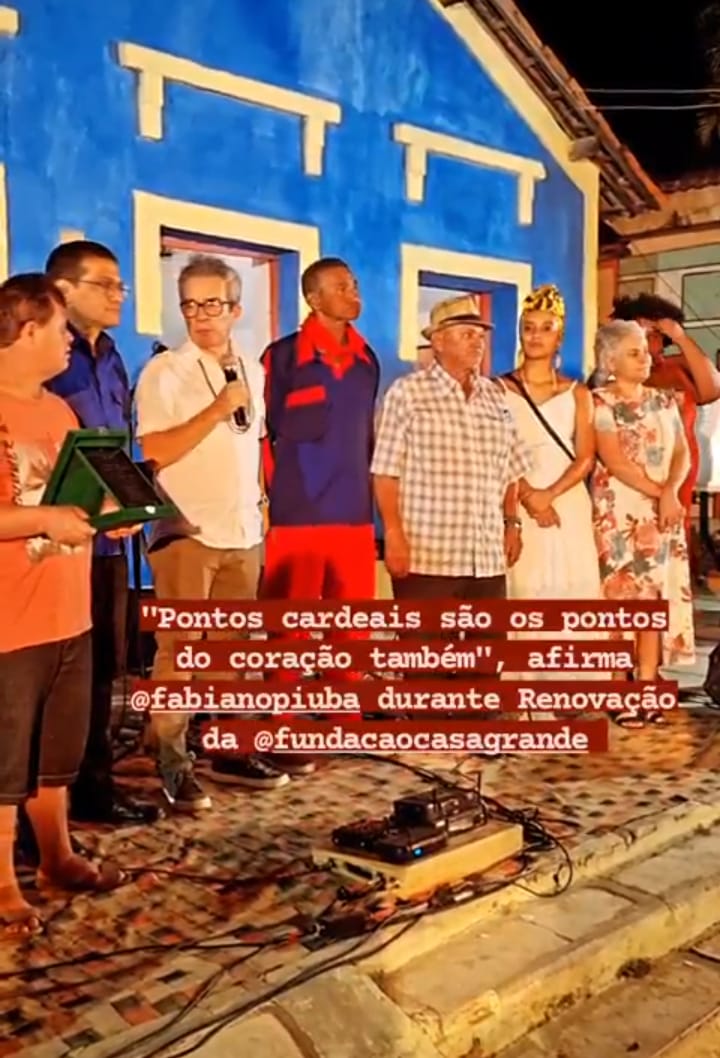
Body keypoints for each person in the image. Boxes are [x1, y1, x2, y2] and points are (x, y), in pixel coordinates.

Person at [0, 274, 125, 939]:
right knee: (5, 761)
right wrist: (46, 518)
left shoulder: (59, 410)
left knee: (55, 754)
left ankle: (57, 856)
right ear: (26, 332)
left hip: (68, 610)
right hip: (9, 623)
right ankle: (3, 884)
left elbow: (76, 493)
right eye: (58, 330)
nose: (69, 342)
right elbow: (35, 511)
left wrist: (113, 511)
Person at [135, 254, 286, 805]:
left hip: (242, 528)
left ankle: (231, 748)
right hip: (188, 530)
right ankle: (172, 762)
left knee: (233, 649)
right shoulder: (165, 372)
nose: (200, 316)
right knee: (181, 650)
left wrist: (261, 501)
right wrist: (217, 408)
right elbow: (154, 450)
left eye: (212, 304)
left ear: (235, 309)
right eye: (190, 306)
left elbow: (253, 443)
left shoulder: (252, 367)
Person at [44, 241, 157, 827]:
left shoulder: (112, 358)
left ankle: (95, 786)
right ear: (64, 290)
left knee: (104, 668)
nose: (119, 295)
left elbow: (115, 446)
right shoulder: (44, 357)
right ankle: (46, 799)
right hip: (54, 543)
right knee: (58, 675)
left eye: (122, 286)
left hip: (110, 540)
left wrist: (132, 499)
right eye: (106, 284)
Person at [260, 257, 380, 699]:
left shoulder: (367, 361)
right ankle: (283, 718)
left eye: (354, 285)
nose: (354, 293)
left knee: (350, 630)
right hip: (297, 517)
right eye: (341, 287)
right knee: (289, 630)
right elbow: (262, 436)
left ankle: (343, 716)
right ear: (314, 299)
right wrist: (269, 503)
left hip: (354, 516)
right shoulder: (282, 357)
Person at [372, 294, 528, 602]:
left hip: (486, 558)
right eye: (467, 334)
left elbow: (511, 471)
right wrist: (393, 534)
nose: (478, 343)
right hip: (428, 557)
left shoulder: (495, 397)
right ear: (439, 341)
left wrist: (512, 523)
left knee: (489, 636)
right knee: (427, 636)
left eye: (480, 336)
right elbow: (385, 472)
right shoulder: (408, 393)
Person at [590, 320, 695, 727]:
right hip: (619, 512)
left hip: (662, 512)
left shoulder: (664, 401)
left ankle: (647, 686)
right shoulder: (599, 403)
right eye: (634, 353)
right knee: (620, 602)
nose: (645, 359)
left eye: (646, 352)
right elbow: (614, 460)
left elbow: (682, 452)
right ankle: (618, 688)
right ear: (610, 360)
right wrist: (660, 493)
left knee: (651, 601)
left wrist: (670, 492)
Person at [497, 284, 602, 683]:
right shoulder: (499, 389)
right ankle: (523, 684)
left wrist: (550, 494)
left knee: (568, 586)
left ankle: (565, 684)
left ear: (559, 336)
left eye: (545, 328)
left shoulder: (578, 393)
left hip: (566, 500)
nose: (536, 336)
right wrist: (528, 496)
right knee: (524, 585)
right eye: (528, 328)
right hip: (515, 497)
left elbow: (586, 456)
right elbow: (497, 450)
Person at [603, 294, 720, 573]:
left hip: (678, 468)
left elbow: (712, 390)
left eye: (654, 333)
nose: (645, 340)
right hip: (630, 472)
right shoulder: (614, 376)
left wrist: (680, 337)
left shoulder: (678, 368)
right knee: (631, 544)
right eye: (638, 331)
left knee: (673, 541)